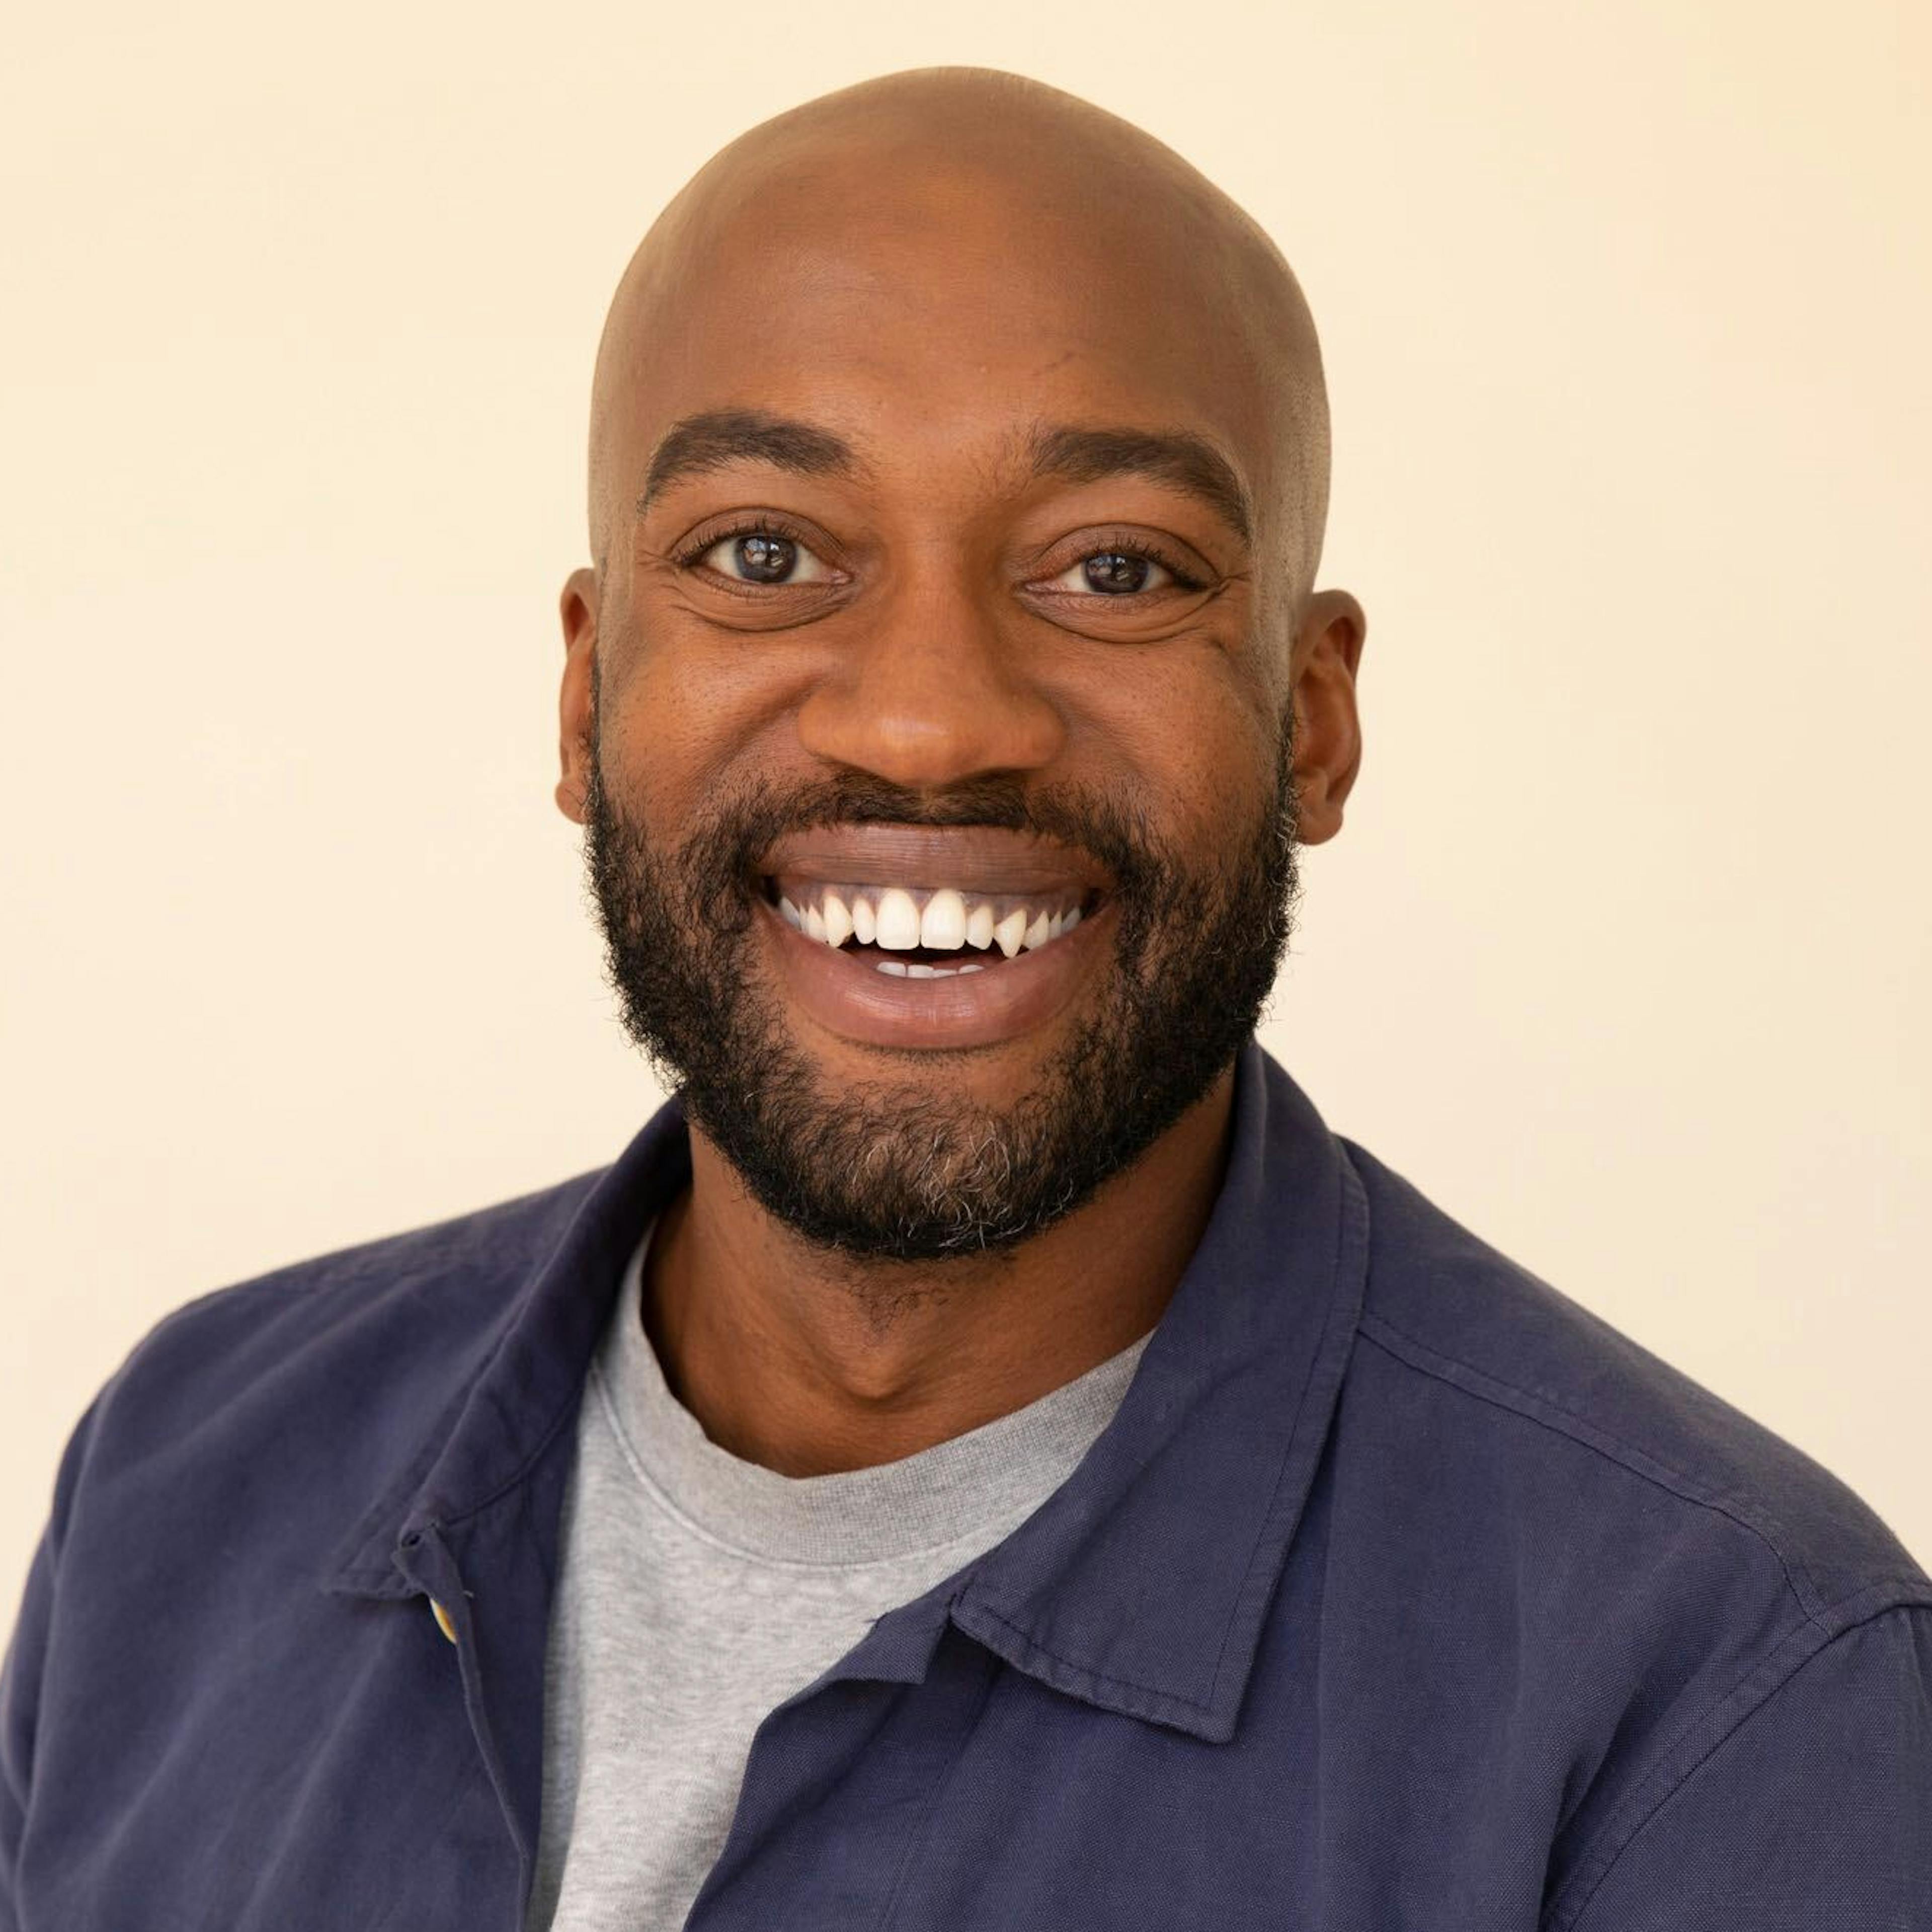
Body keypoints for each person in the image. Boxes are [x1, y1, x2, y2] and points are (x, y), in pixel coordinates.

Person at [3, 63, 1927, 1932]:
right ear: (587, 697)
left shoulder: (1730, 1705)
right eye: (765, 554)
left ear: (1313, 719)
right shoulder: (184, 1479)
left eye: (1116, 570)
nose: (930, 721)